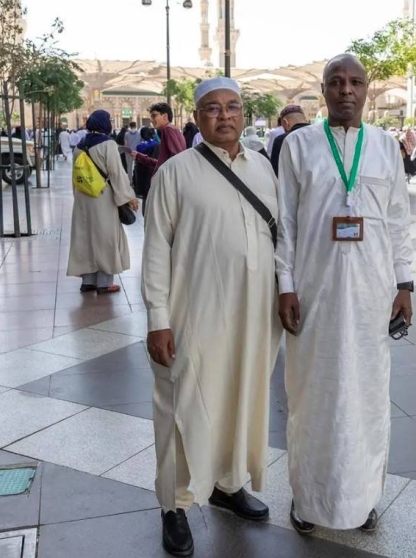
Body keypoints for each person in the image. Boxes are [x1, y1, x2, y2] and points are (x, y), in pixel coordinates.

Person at [142, 77, 282, 557]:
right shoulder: (175, 173)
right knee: (182, 404)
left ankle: (228, 481)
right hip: (194, 311)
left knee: (241, 396)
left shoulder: (262, 167)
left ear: (244, 114)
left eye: (233, 107)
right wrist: (158, 319)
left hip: (254, 313)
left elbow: (280, 236)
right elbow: (155, 250)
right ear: (197, 117)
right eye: (213, 108)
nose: (225, 116)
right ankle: (174, 505)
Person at [276, 54, 413, 535]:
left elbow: (397, 219)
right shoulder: (298, 146)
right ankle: (308, 499)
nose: (346, 90)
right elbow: (286, 223)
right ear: (323, 91)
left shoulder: (386, 146)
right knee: (312, 395)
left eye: (355, 81)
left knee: (367, 396)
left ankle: (363, 498)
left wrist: (404, 284)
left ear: (367, 88)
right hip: (314, 292)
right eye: (336, 82)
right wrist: (286, 285)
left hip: (372, 293)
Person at [67, 110, 138, 295]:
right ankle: (104, 283)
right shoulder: (108, 144)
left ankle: (88, 281)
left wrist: (77, 196)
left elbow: (76, 175)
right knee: (105, 237)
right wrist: (129, 196)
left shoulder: (80, 145)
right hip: (102, 197)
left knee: (86, 238)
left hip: (83, 198)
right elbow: (117, 173)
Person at [134, 102, 187, 176]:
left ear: (165, 116)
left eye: (154, 116)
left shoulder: (168, 129)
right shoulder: (173, 129)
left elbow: (176, 159)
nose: (151, 120)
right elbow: (162, 163)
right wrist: (140, 157)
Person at [270, 104, 311, 175]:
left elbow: (275, 172)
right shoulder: (321, 134)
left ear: (285, 122)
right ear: (305, 119)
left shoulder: (281, 140)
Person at [133, 126, 160, 208]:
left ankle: (145, 213)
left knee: (145, 197)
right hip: (152, 172)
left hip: (141, 173)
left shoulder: (139, 146)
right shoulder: (156, 145)